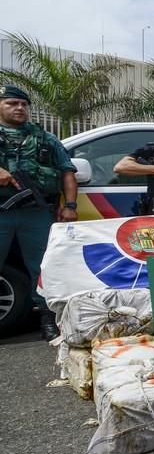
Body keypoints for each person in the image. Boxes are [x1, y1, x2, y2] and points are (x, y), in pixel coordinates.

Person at [0, 85, 78, 341]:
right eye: (12, 103)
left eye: (23, 104)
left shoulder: (45, 138)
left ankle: (48, 319)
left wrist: (70, 206)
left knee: (43, 269)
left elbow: (67, 171)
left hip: (36, 212)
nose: (19, 108)